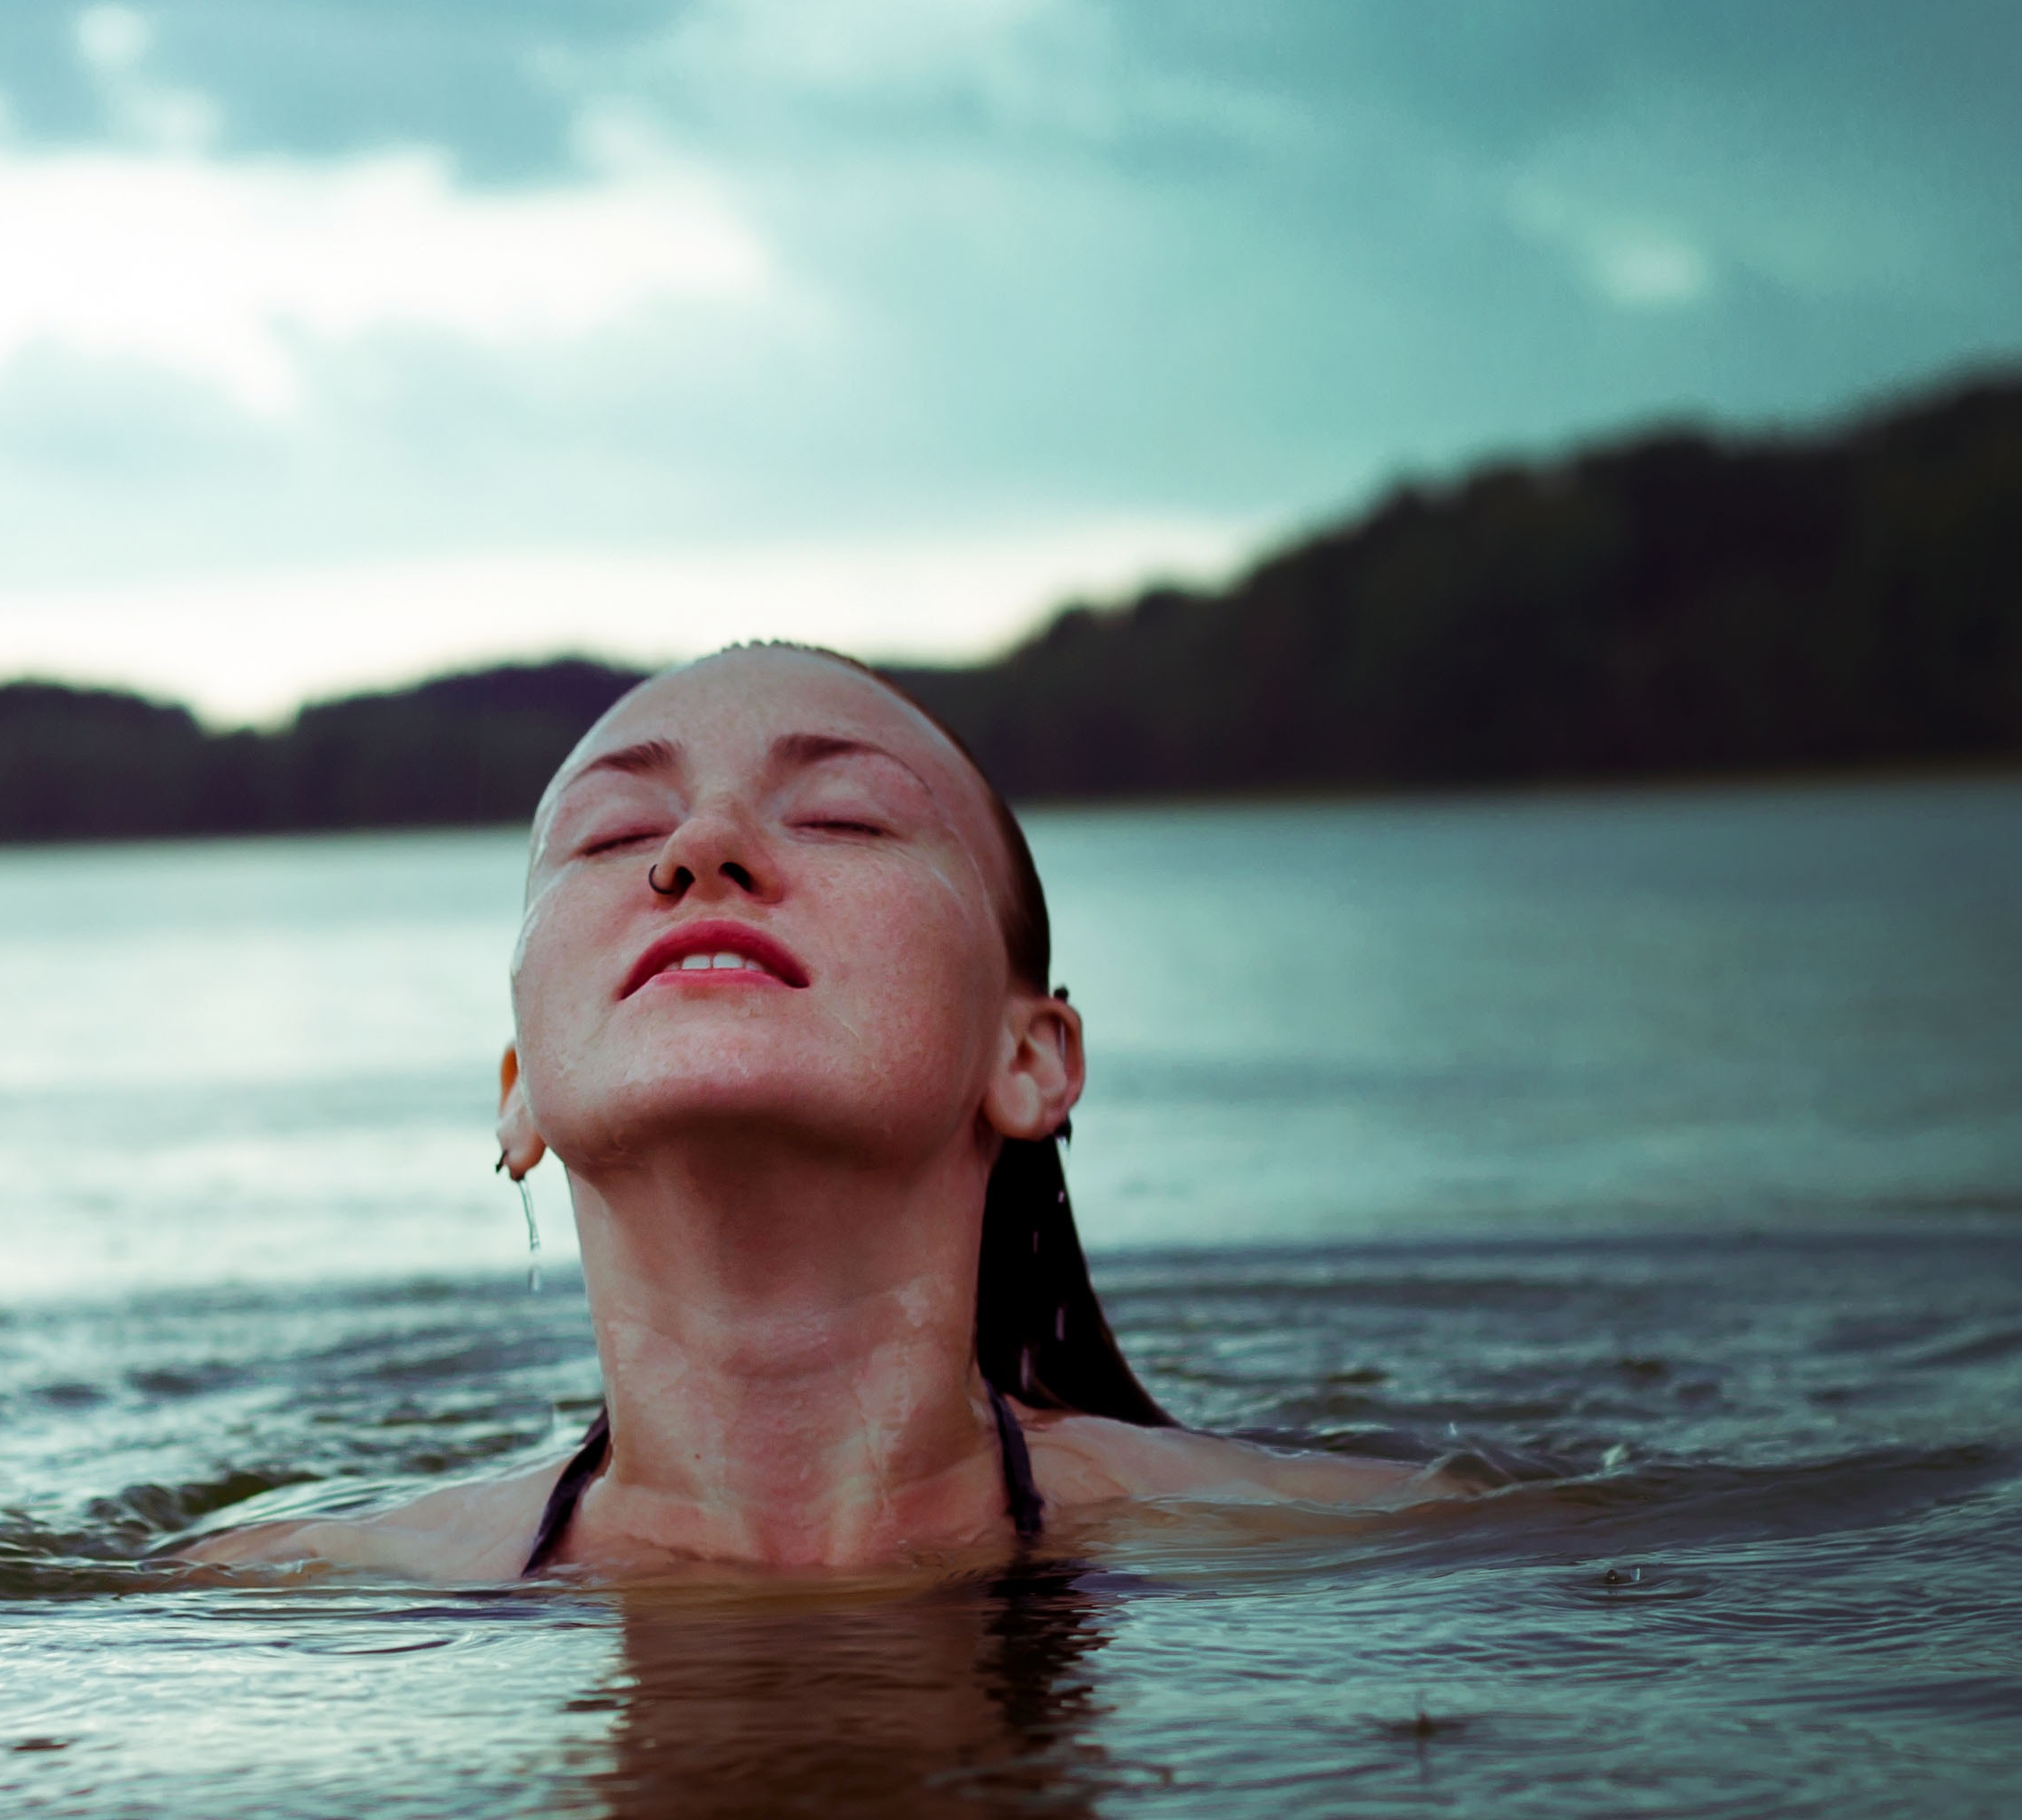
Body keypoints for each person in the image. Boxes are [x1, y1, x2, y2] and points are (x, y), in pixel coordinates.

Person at [187, 643, 1444, 1581]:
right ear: (519, 1095)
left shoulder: (1388, 1535)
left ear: (1033, 1061)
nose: (701, 849)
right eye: (617, 831)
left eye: (844, 815)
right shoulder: (283, 1588)